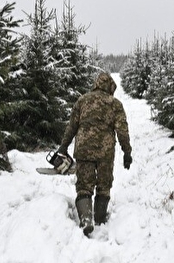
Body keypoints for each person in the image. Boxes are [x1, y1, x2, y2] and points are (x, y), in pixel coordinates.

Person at [57, 72, 132, 236]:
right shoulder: (115, 104)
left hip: (84, 150)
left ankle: (86, 220)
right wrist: (127, 152)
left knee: (84, 185)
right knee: (104, 186)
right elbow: (122, 130)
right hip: (105, 152)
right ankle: (100, 219)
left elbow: (71, 127)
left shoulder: (82, 100)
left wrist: (63, 148)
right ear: (111, 87)